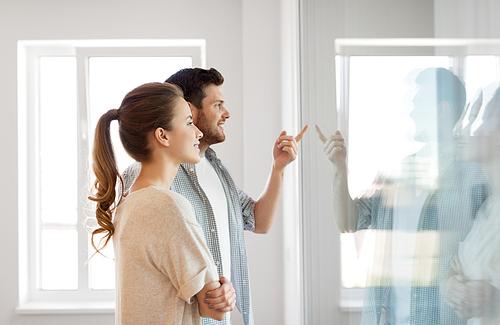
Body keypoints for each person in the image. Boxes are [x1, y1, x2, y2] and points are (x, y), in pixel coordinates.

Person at [122, 67, 308, 325]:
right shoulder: (150, 177)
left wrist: (278, 169)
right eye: (218, 104)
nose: (227, 113)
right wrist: (214, 293)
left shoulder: (217, 170)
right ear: (189, 108)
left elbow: (259, 222)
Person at [316, 67, 490, 325]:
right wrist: (339, 167)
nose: (411, 112)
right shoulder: (398, 172)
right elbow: (349, 222)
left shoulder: (476, 175)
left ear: (440, 110)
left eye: (417, 103)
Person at [88, 82, 235, 324]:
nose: (198, 132)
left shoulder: (128, 204)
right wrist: (224, 290)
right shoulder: (168, 206)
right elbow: (214, 308)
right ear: (162, 135)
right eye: (189, 122)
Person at [441, 86, 500, 324]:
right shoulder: (489, 209)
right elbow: (459, 267)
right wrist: (450, 286)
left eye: (475, 119)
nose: (458, 131)